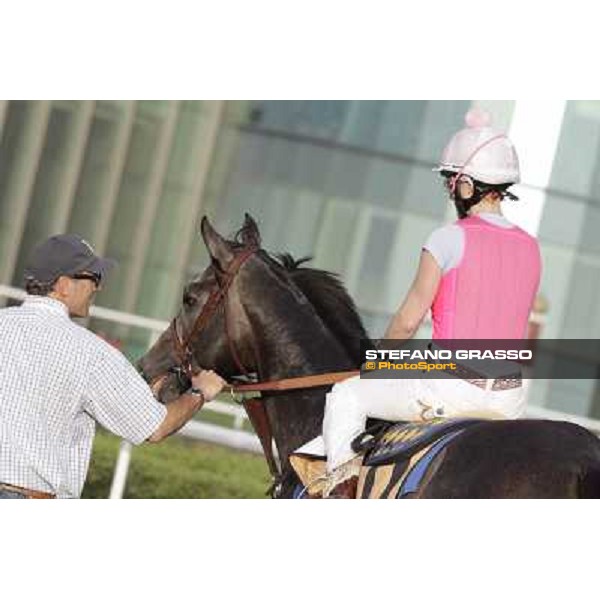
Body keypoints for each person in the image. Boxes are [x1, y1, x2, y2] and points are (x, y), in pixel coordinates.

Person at [321, 108, 542, 498]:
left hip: (453, 389)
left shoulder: (446, 238)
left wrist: (378, 365)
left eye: (450, 182)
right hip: (510, 398)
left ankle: (339, 493)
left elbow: (408, 322)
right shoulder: (531, 247)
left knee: (347, 394)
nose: (449, 191)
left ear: (467, 186)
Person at [0, 234, 226, 499]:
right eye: (93, 277)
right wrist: (201, 393)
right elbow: (155, 428)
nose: (98, 287)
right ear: (63, 285)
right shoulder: (92, 353)